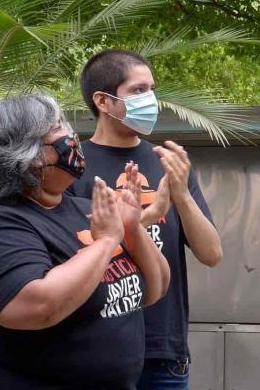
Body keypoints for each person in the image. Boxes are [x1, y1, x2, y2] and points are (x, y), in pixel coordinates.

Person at [0, 95, 170, 389]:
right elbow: (37, 307)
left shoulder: (84, 209)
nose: (71, 135)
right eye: (57, 127)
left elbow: (155, 290)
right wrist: (104, 243)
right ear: (28, 154)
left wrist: (131, 228)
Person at [68, 50, 222, 389]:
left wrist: (180, 193)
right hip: (94, 348)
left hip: (164, 353)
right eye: (138, 90)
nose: (150, 99)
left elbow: (211, 254)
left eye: (152, 89)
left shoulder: (167, 163)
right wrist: (142, 219)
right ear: (103, 101)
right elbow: (66, 253)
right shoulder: (72, 167)